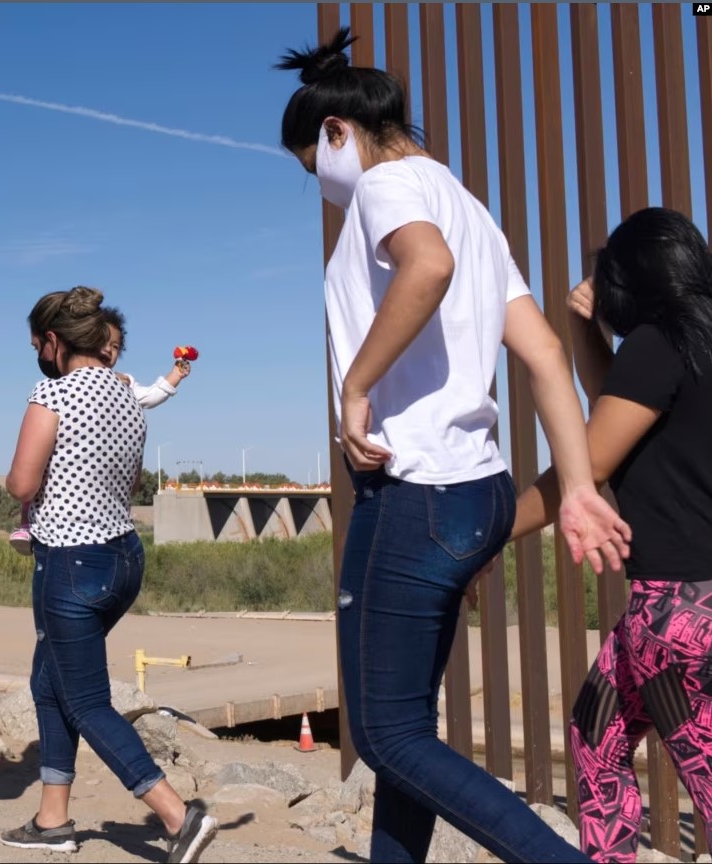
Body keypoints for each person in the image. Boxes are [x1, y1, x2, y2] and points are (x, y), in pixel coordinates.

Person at [275, 29, 630, 863]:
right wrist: (577, 487)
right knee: (408, 727)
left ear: (336, 133)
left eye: (310, 169)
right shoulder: (467, 205)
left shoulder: (385, 186)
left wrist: (356, 386)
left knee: (387, 735)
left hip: (415, 495)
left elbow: (423, 269)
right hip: (476, 495)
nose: (322, 191)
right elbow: (544, 355)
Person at [498, 208, 712, 863]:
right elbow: (618, 404)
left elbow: (584, 467)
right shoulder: (690, 342)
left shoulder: (660, 343)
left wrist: (485, 532)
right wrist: (582, 328)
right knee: (596, 733)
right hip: (684, 606)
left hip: (674, 615)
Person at [1, 286, 217, 863]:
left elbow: (22, 485)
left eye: (36, 344)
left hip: (70, 559)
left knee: (86, 701)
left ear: (53, 342)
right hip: (122, 556)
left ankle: (177, 816)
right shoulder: (126, 395)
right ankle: (53, 820)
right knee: (49, 683)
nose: (37, 355)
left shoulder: (52, 393)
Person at [10, 315, 194, 553]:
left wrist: (175, 377)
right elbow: (134, 484)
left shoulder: (65, 390)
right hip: (122, 541)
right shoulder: (121, 391)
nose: (109, 350)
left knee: (34, 471)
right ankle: (26, 525)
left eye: (115, 346)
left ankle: (26, 526)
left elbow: (22, 486)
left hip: (72, 544)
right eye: (102, 343)